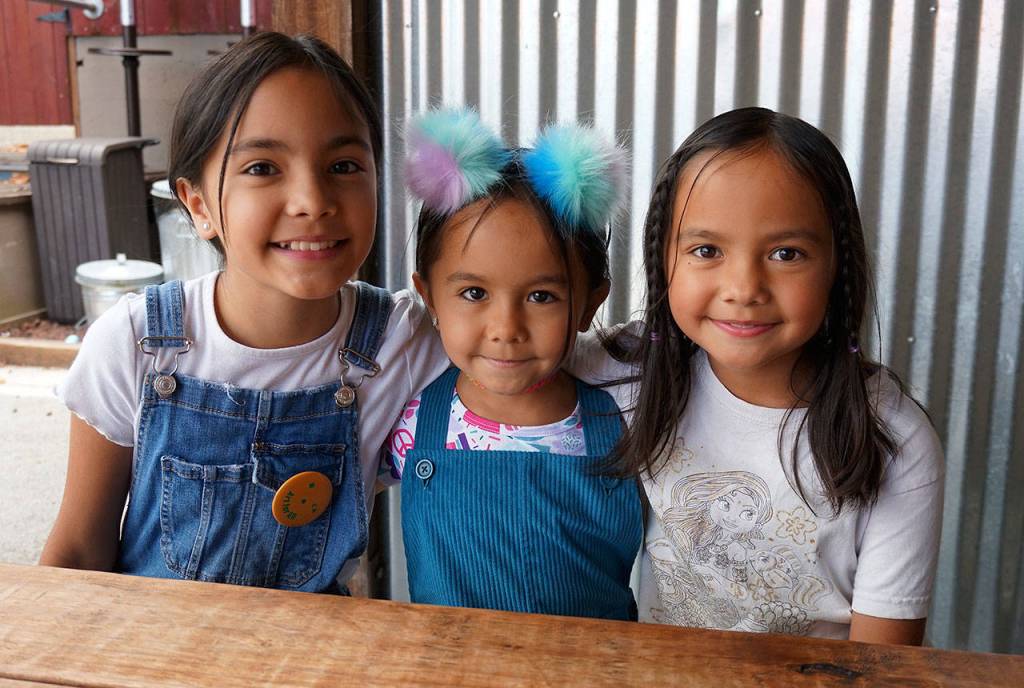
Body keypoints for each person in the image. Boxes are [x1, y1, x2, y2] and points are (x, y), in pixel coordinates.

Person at [39, 32, 448, 593]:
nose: (312, 200)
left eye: (345, 164)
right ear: (200, 205)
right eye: (262, 168)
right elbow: (79, 550)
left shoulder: (402, 343)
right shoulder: (138, 344)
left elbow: (537, 351)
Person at [575, 107, 944, 642]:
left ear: (838, 265)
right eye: (706, 250)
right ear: (663, 259)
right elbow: (499, 326)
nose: (744, 287)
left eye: (786, 253)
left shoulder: (893, 441)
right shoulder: (635, 372)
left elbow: (882, 666)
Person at [380, 108, 643, 619]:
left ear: (590, 302)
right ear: (428, 296)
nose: (506, 327)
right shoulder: (408, 424)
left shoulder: (630, 420)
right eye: (474, 292)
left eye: (542, 296)